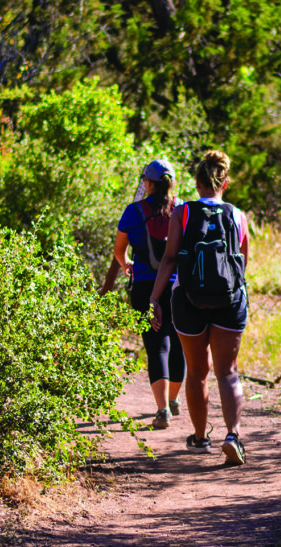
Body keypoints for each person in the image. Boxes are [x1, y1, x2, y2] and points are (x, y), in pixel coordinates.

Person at [148, 150, 249, 465]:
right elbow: (243, 264)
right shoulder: (238, 215)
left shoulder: (183, 212)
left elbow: (169, 258)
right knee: (228, 372)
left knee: (197, 371)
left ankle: (201, 438)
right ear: (225, 182)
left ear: (197, 182)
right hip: (230, 300)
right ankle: (232, 435)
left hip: (188, 299)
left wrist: (154, 299)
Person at [105, 159, 186, 429]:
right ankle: (174, 401)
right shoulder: (182, 210)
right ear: (171, 183)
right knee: (178, 344)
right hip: (177, 288)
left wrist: (127, 263)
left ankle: (162, 409)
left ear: (147, 183)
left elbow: (118, 250)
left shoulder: (133, 212)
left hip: (144, 288)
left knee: (156, 346)